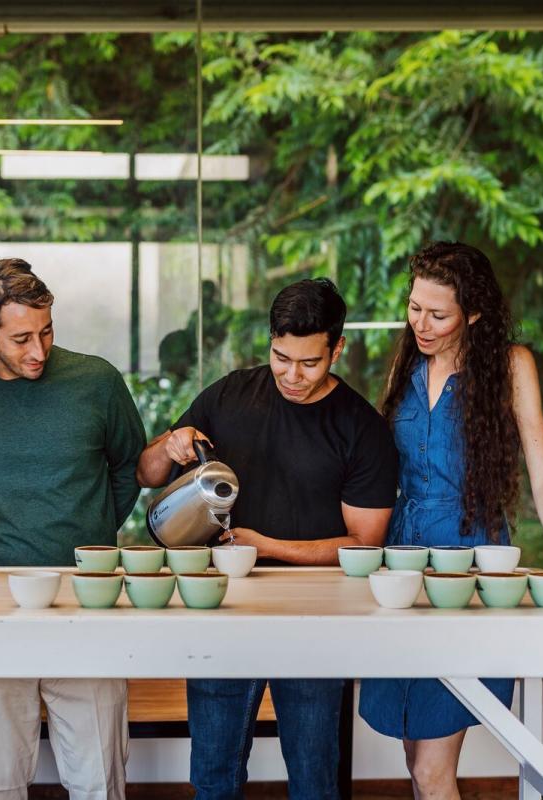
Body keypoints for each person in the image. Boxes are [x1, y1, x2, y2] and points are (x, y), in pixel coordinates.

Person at [136, 278, 399, 800]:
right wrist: (172, 442)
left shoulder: (360, 427)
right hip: (222, 608)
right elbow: (147, 473)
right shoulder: (230, 394)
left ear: (337, 349)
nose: (292, 375)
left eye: (309, 363)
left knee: (313, 779)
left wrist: (264, 546)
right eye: (281, 358)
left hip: (316, 615)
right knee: (213, 778)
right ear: (271, 341)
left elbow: (365, 546)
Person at [358, 241, 543, 799]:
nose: (421, 323)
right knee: (415, 758)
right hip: (400, 563)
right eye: (415, 307)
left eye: (438, 314)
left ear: (475, 314)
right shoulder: (407, 357)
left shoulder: (511, 365)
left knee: (434, 768)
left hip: (468, 562)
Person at [0, 258, 146, 800]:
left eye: (47, 331)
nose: (38, 351)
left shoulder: (97, 381)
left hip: (87, 599)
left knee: (100, 780)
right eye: (20, 338)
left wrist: (96, 527)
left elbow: (129, 468)